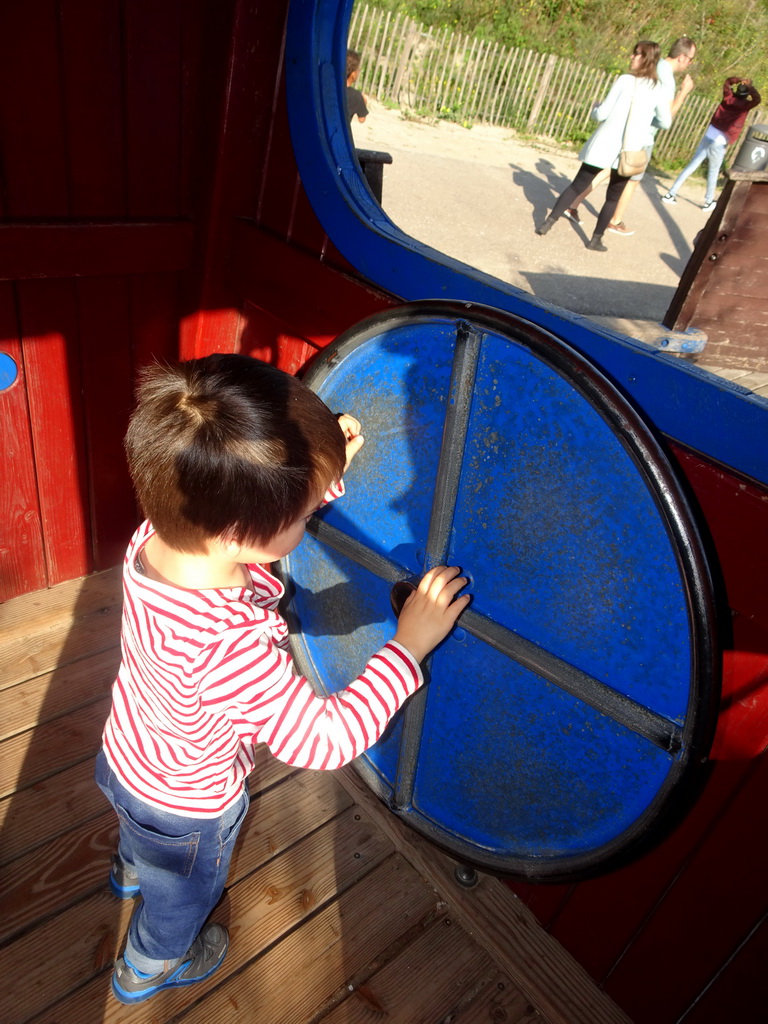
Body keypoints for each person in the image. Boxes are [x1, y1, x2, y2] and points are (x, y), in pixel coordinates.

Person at [96, 353, 470, 1005]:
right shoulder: (230, 644)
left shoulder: (160, 532)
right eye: (303, 515)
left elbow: (251, 524)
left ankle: (132, 868)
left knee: (140, 839)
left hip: (126, 755)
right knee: (183, 896)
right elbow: (322, 742)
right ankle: (149, 963)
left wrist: (318, 471)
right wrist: (408, 646)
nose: (316, 518)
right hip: (190, 808)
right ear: (252, 531)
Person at [536, 41, 671, 251]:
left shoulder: (625, 81)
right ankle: (595, 240)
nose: (632, 57)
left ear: (645, 58)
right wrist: (644, 122)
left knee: (576, 186)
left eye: (636, 54)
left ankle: (548, 223)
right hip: (629, 150)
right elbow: (665, 122)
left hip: (604, 145)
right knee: (613, 197)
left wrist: (595, 108)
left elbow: (602, 114)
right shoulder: (659, 89)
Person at [565, 36, 696, 236]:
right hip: (643, 135)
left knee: (609, 169)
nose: (690, 64)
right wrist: (684, 93)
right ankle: (614, 220)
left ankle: (572, 204)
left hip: (626, 128)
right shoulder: (668, 81)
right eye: (691, 59)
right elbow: (666, 118)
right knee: (631, 179)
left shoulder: (657, 63)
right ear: (682, 57)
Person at [661, 76, 761, 211]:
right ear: (746, 94)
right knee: (713, 171)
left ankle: (670, 193)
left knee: (692, 165)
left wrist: (737, 79)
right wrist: (750, 87)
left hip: (709, 134)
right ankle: (708, 202)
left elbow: (727, 82)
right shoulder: (745, 106)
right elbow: (757, 99)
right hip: (720, 141)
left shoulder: (728, 97)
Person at [346, 49, 369, 124]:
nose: (359, 71)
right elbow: (362, 119)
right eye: (358, 69)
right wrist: (364, 102)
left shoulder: (330, 88)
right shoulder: (356, 96)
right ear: (353, 74)